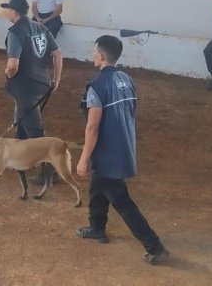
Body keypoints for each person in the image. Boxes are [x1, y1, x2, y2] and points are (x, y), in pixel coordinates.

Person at [75, 35, 169, 265]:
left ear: (102, 55)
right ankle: (97, 227)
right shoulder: (127, 80)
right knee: (98, 188)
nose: (93, 53)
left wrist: (84, 157)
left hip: (107, 154)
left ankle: (155, 246)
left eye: (94, 50)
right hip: (123, 147)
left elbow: (92, 126)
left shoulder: (96, 86)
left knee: (122, 202)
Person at [2, 0, 63, 183]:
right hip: (41, 84)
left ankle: (50, 172)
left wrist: (8, 74)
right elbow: (58, 54)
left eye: (8, 9)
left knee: (35, 131)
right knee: (21, 122)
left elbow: (13, 65)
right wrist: (56, 79)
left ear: (14, 12)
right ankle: (19, 159)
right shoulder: (41, 28)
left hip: (24, 87)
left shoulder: (15, 33)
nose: (6, 12)